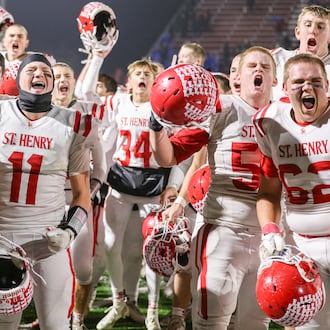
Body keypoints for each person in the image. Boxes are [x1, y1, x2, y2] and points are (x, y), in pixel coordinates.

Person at [149, 46, 278, 329]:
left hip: (269, 237)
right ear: (238, 78)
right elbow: (167, 156)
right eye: (252, 66)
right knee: (211, 322)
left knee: (256, 323)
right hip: (224, 230)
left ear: (275, 80)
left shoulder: (284, 114)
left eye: (265, 67)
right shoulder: (221, 108)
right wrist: (156, 126)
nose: (258, 70)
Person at [0, 53, 97, 329]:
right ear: (18, 78)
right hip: (2, 238)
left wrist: (69, 232)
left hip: (48, 240)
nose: (39, 74)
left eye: (46, 71)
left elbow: (81, 193)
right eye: (31, 69)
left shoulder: (73, 124)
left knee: (55, 325)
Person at [253, 53, 330, 329]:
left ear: (327, 85)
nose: (307, 88)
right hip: (304, 246)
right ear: (284, 89)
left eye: (315, 82)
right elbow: (269, 190)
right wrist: (270, 230)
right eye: (298, 82)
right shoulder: (270, 123)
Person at [51, 61, 106, 330]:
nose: (62, 80)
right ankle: (51, 316)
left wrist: (86, 194)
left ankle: (78, 319)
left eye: (67, 76)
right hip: (45, 203)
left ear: (74, 82)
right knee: (47, 267)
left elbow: (102, 168)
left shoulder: (87, 116)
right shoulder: (37, 115)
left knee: (83, 268)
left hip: (78, 202)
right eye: (57, 76)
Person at [271, 4, 330, 100]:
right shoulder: (276, 59)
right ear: (298, 33)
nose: (313, 30)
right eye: (308, 25)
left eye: (320, 27)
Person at [0, 24, 55, 96]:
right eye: (11, 35)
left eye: (20, 36)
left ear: (26, 43)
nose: (15, 39)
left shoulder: (37, 60)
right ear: (4, 42)